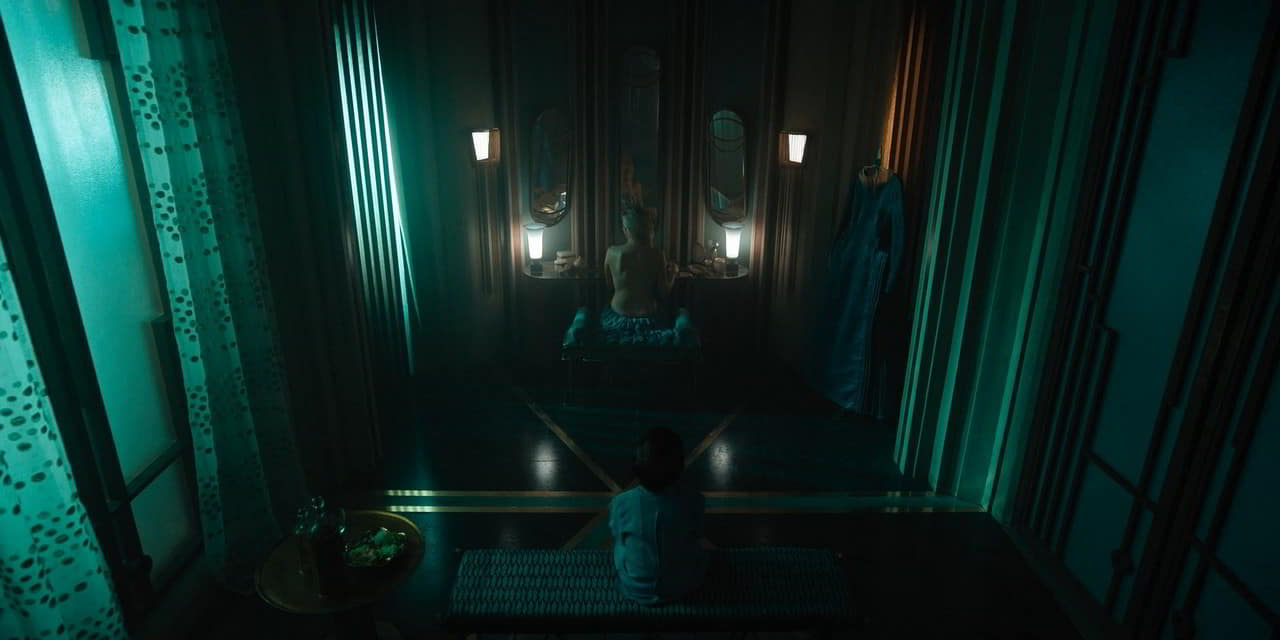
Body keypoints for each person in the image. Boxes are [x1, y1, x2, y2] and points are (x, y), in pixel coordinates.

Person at [608, 427, 712, 606]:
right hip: (684, 585)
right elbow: (697, 533)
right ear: (679, 468)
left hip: (634, 588)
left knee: (620, 544)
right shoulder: (695, 500)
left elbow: (617, 535)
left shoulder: (621, 502)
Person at [604, 208, 678, 322]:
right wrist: (672, 274)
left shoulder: (611, 252)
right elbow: (663, 293)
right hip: (648, 317)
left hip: (619, 314)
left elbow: (609, 287)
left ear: (626, 230)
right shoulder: (657, 255)